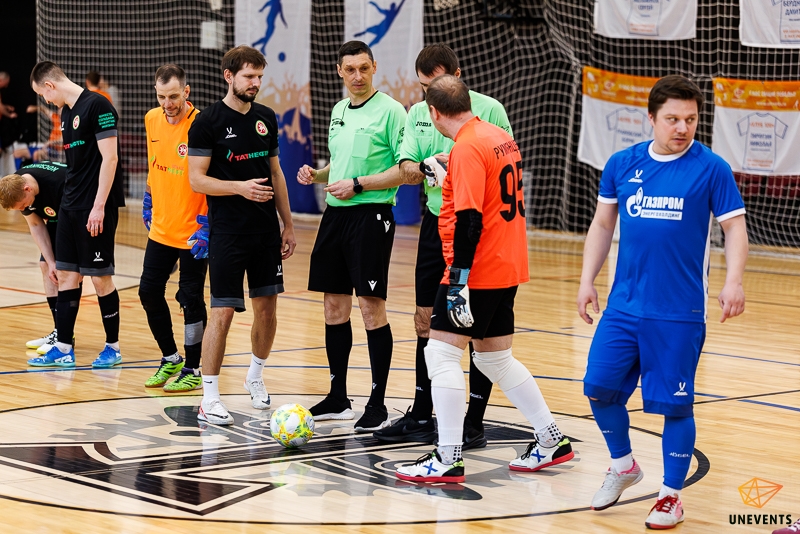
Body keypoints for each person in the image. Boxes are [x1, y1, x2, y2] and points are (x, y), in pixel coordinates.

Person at [577, 75, 748, 529]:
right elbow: (602, 224)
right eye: (672, 119)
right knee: (598, 388)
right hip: (623, 307)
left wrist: (733, 281)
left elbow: (734, 227)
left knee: (674, 406)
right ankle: (623, 466)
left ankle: (671, 495)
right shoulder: (622, 163)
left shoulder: (711, 168)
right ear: (651, 118)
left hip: (678, 313)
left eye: (691, 119)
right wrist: (586, 280)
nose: (683, 128)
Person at [394, 75, 573, 483]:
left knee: (440, 355)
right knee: (494, 359)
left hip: (479, 270)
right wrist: (450, 178)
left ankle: (447, 456)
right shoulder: (497, 135)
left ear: (434, 112)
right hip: (507, 263)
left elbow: (470, 220)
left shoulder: (467, 148)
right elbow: (488, 194)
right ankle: (551, 439)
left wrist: (458, 281)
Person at [367, 44, 513, 449]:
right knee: (424, 319)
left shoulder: (490, 111)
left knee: (477, 328)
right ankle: (420, 413)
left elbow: (506, 166)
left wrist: (459, 169)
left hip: (477, 227)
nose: (428, 94)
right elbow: (405, 167)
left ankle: (473, 422)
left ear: (456, 77)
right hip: (436, 223)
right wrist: (424, 167)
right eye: (422, 86)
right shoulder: (419, 112)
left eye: (435, 85)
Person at [296, 40, 406, 432]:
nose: (357, 76)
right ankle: (338, 397)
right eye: (350, 69)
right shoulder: (339, 110)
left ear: (374, 67)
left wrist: (358, 184)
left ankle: (377, 403)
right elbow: (340, 163)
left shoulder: (392, 111)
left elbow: (404, 169)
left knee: (371, 307)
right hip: (335, 216)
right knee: (333, 307)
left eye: (364, 68)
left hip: (371, 215)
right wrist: (318, 174)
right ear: (339, 71)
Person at [188, 45, 296, 425]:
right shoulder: (207, 121)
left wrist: (288, 223)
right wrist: (239, 188)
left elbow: (276, 173)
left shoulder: (266, 117)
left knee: (267, 310)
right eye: (249, 76)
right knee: (221, 313)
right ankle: (209, 398)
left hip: (265, 232)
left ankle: (255, 375)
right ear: (229, 76)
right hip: (228, 233)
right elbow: (196, 179)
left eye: (259, 77)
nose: (255, 83)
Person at [28, 61, 126, 368]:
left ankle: (113, 348)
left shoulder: (98, 105)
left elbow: (110, 160)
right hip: (70, 206)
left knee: (100, 279)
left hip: (95, 207)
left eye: (42, 95)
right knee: (67, 276)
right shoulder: (67, 113)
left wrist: (99, 206)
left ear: (50, 85)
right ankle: (64, 348)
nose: (45, 101)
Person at [140, 64, 208, 392]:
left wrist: (211, 224)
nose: (167, 104)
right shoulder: (151, 119)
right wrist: (148, 196)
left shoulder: (202, 124)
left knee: (190, 298)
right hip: (162, 228)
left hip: (195, 231)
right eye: (161, 97)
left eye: (173, 96)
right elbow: (155, 163)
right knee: (148, 292)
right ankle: (171, 357)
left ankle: (193, 368)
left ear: (186, 92)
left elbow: (213, 176)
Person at [0, 160, 71, 352]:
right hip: (58, 218)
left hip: (80, 217)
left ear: (28, 189)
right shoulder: (16, 185)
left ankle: (65, 336)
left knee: (69, 272)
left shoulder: (60, 183)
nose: (24, 208)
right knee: (46, 266)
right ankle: (59, 331)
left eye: (24, 205)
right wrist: (51, 261)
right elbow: (36, 224)